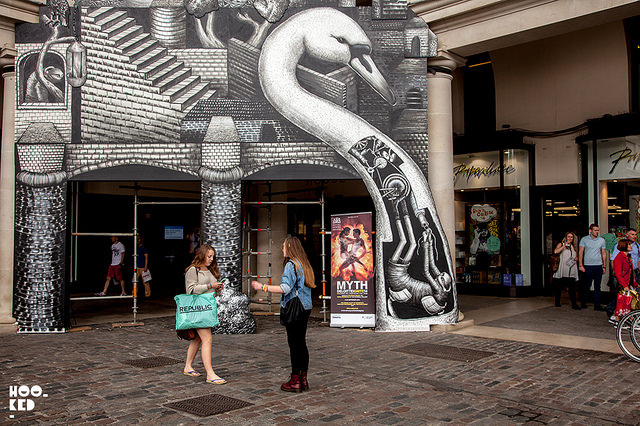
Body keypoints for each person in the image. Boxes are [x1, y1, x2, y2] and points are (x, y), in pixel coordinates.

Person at [251, 236, 315, 393]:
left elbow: (285, 288)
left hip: (294, 308)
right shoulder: (304, 264)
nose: (282, 249)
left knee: (294, 344)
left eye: (284, 246)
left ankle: (294, 381)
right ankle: (303, 379)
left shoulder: (291, 265)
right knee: (301, 344)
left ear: (291, 248)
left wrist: (262, 287)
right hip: (305, 307)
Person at [181, 244, 226, 384]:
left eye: (213, 256)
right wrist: (210, 286)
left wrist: (218, 288)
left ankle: (188, 366)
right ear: (202, 255)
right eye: (209, 256)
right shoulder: (193, 270)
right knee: (207, 339)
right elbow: (191, 290)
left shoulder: (209, 270)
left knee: (198, 339)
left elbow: (211, 291)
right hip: (198, 310)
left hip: (207, 309)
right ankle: (210, 374)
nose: (211, 259)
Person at [578, 224, 608, 310]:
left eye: (598, 230)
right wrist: (580, 265)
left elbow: (604, 253)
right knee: (587, 286)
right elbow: (580, 252)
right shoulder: (584, 239)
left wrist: (604, 266)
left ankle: (597, 305)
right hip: (588, 265)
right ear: (590, 230)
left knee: (597, 286)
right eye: (595, 230)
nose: (597, 232)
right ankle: (583, 303)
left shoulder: (601, 240)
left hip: (598, 265)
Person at [610, 239, 635, 325]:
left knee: (626, 302)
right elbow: (618, 273)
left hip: (627, 282)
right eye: (629, 245)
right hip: (622, 284)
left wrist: (634, 283)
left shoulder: (627, 257)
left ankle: (627, 319)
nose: (631, 246)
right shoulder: (619, 257)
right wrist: (624, 285)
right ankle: (617, 319)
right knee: (622, 302)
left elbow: (630, 271)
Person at [552, 232, 579, 309]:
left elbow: (575, 255)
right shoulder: (561, 244)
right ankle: (557, 302)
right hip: (563, 269)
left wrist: (576, 258)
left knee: (572, 287)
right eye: (568, 237)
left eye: (571, 237)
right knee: (559, 287)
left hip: (571, 269)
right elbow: (556, 251)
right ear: (565, 237)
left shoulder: (573, 246)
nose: (570, 238)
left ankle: (574, 304)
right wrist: (564, 245)